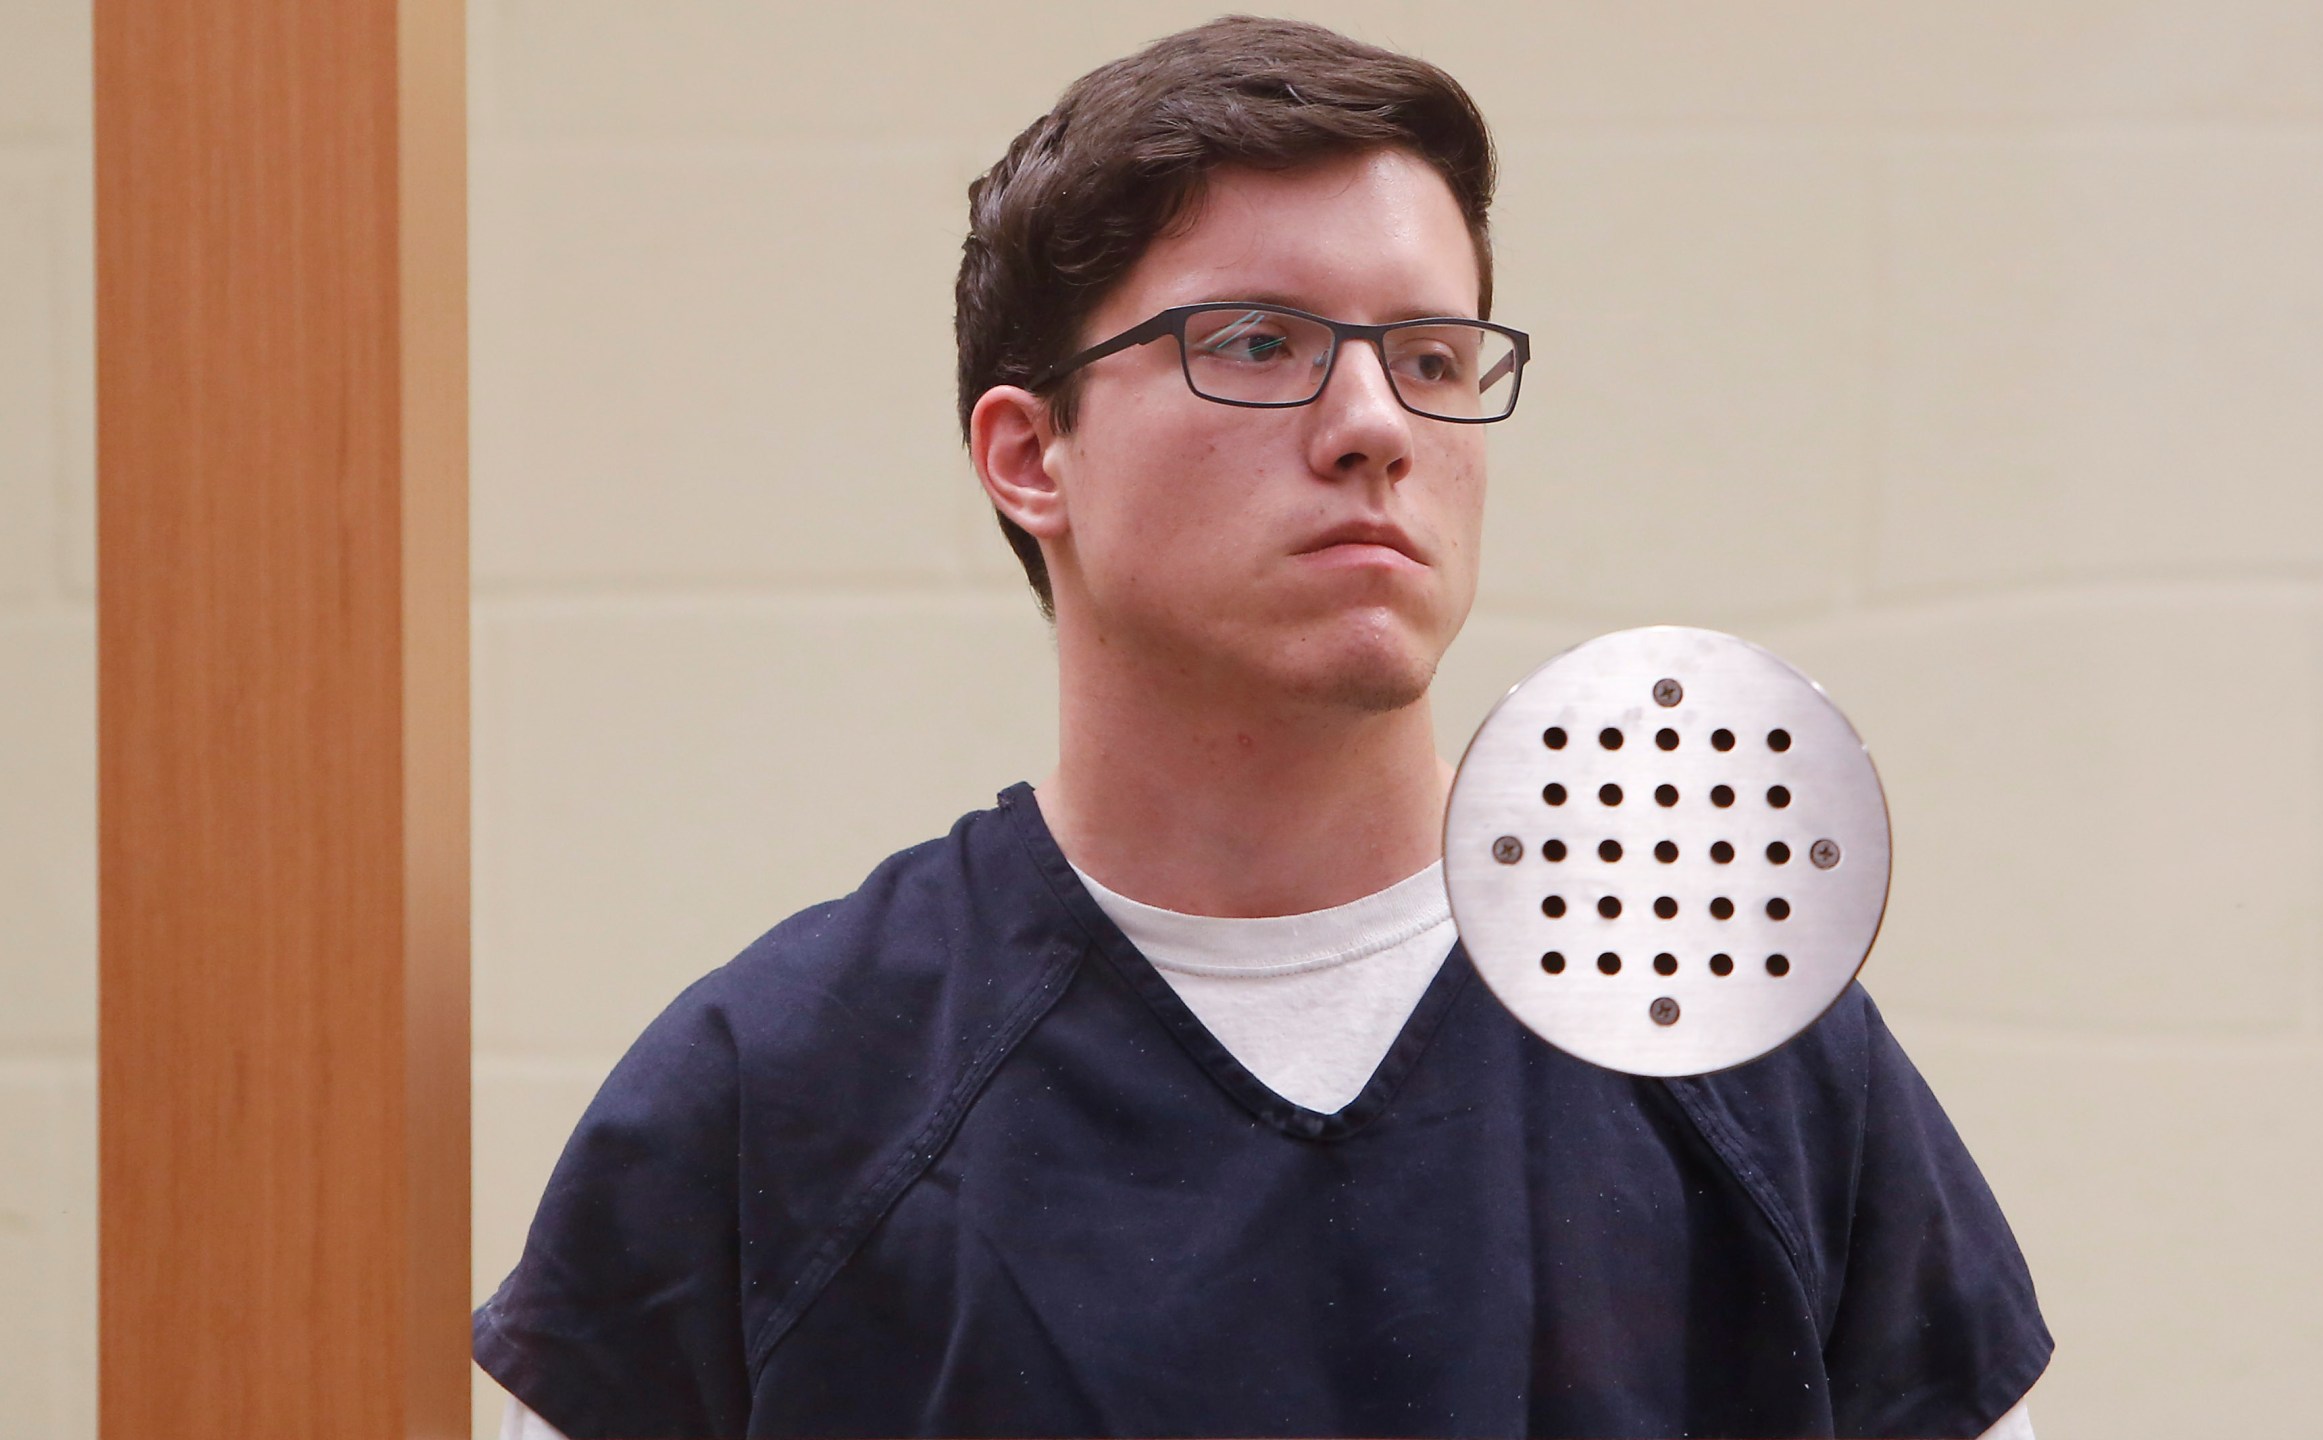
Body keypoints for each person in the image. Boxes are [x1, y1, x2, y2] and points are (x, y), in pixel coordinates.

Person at [475, 17, 2051, 1438]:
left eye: (1431, 359)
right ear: (1032, 457)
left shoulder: (1734, 1037)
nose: (1374, 426)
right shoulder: (779, 1094)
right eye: (1257, 345)